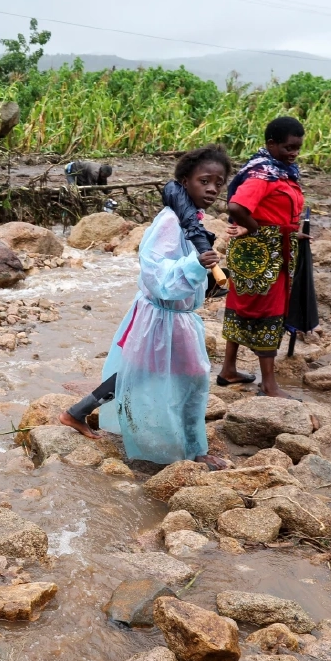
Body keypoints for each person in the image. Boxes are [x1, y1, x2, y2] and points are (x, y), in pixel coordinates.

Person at [60, 145, 231, 468]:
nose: (211, 189)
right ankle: (186, 451)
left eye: (218, 183)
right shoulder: (169, 222)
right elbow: (157, 276)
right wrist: (196, 265)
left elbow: (182, 274)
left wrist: (207, 282)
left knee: (170, 375)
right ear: (185, 181)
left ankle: (78, 412)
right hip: (160, 316)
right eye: (204, 181)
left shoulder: (191, 219)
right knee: (161, 375)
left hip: (177, 317)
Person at [216, 116, 306, 398]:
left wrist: (291, 232)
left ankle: (228, 370)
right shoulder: (262, 174)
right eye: (288, 147)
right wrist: (257, 229)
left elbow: (274, 213)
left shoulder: (281, 172)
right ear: (271, 144)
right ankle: (269, 384)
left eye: (297, 148)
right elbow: (237, 205)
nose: (293, 153)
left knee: (243, 306)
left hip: (269, 249)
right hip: (262, 254)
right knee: (268, 312)